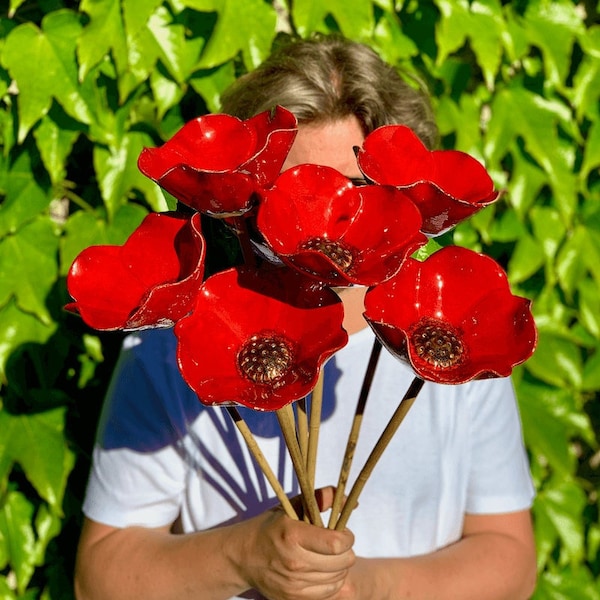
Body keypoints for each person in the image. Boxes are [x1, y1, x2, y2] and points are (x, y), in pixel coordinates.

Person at [74, 35, 537, 600]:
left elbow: (511, 558)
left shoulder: (458, 334)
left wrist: (361, 586)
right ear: (249, 189)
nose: (329, 215)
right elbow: (99, 576)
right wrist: (247, 556)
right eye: (297, 188)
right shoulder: (173, 344)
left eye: (356, 188)